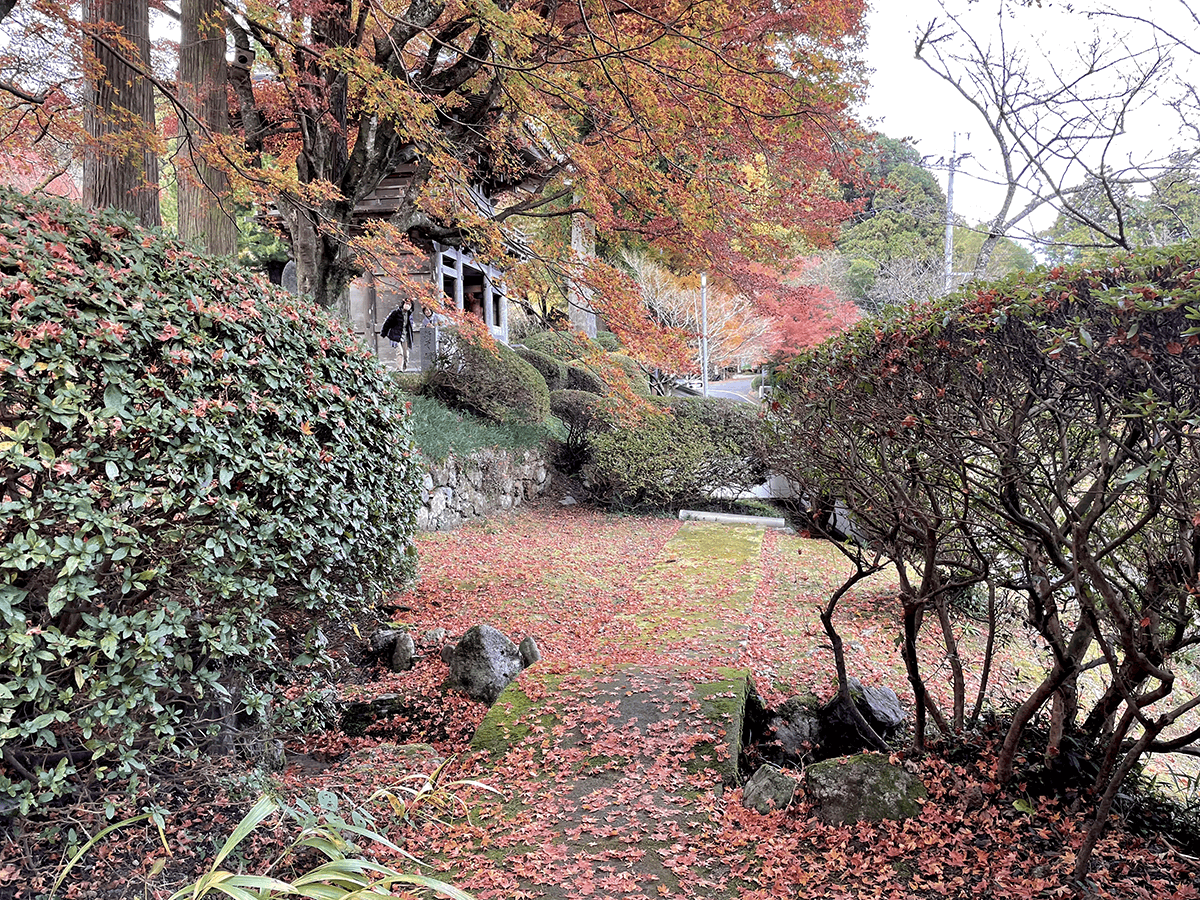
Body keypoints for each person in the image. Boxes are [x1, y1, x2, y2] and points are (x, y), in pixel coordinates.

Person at [379, 299, 414, 368]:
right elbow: (387, 323)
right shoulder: (396, 313)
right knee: (399, 352)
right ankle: (399, 369)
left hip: (405, 336)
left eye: (409, 304)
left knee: (406, 354)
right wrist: (384, 333)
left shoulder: (409, 315)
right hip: (396, 336)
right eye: (406, 303)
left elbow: (410, 326)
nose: (407, 305)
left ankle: (404, 368)